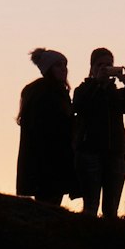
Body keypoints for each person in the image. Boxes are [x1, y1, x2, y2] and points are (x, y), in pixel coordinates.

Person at [71, 47, 125, 217]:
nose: (105, 68)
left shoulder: (117, 94)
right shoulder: (83, 90)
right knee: (90, 206)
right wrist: (97, 83)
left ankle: (108, 239)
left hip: (115, 154)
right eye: (100, 65)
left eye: (109, 65)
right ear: (92, 68)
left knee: (111, 210)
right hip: (89, 153)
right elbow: (79, 106)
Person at [16, 48, 75, 205]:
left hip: (53, 159)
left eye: (64, 64)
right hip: (47, 160)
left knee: (50, 204)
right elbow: (46, 126)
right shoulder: (43, 92)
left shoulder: (57, 92)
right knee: (47, 204)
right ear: (49, 69)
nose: (63, 68)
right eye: (58, 65)